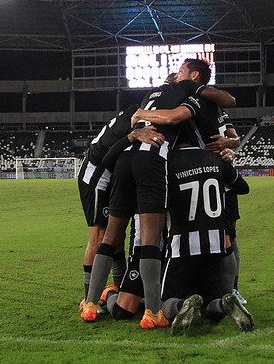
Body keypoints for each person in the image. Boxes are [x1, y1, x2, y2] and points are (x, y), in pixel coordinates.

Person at [81, 58, 235, 328]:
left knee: (110, 235)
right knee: (157, 238)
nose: (177, 73)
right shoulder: (188, 98)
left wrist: (139, 119)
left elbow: (226, 112)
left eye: (181, 70)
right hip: (159, 166)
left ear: (192, 77)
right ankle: (157, 310)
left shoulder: (153, 96)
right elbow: (179, 116)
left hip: (124, 160)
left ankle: (92, 301)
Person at [159, 145, 254, 335]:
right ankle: (223, 305)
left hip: (182, 246)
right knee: (211, 301)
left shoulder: (168, 162)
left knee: (163, 304)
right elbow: (243, 188)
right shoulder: (215, 159)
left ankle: (182, 305)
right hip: (214, 244)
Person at [76, 103, 162, 307]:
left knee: (116, 234)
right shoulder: (138, 116)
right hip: (96, 174)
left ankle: (120, 286)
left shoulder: (140, 111)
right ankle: (90, 299)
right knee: (98, 236)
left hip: (111, 174)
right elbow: (107, 154)